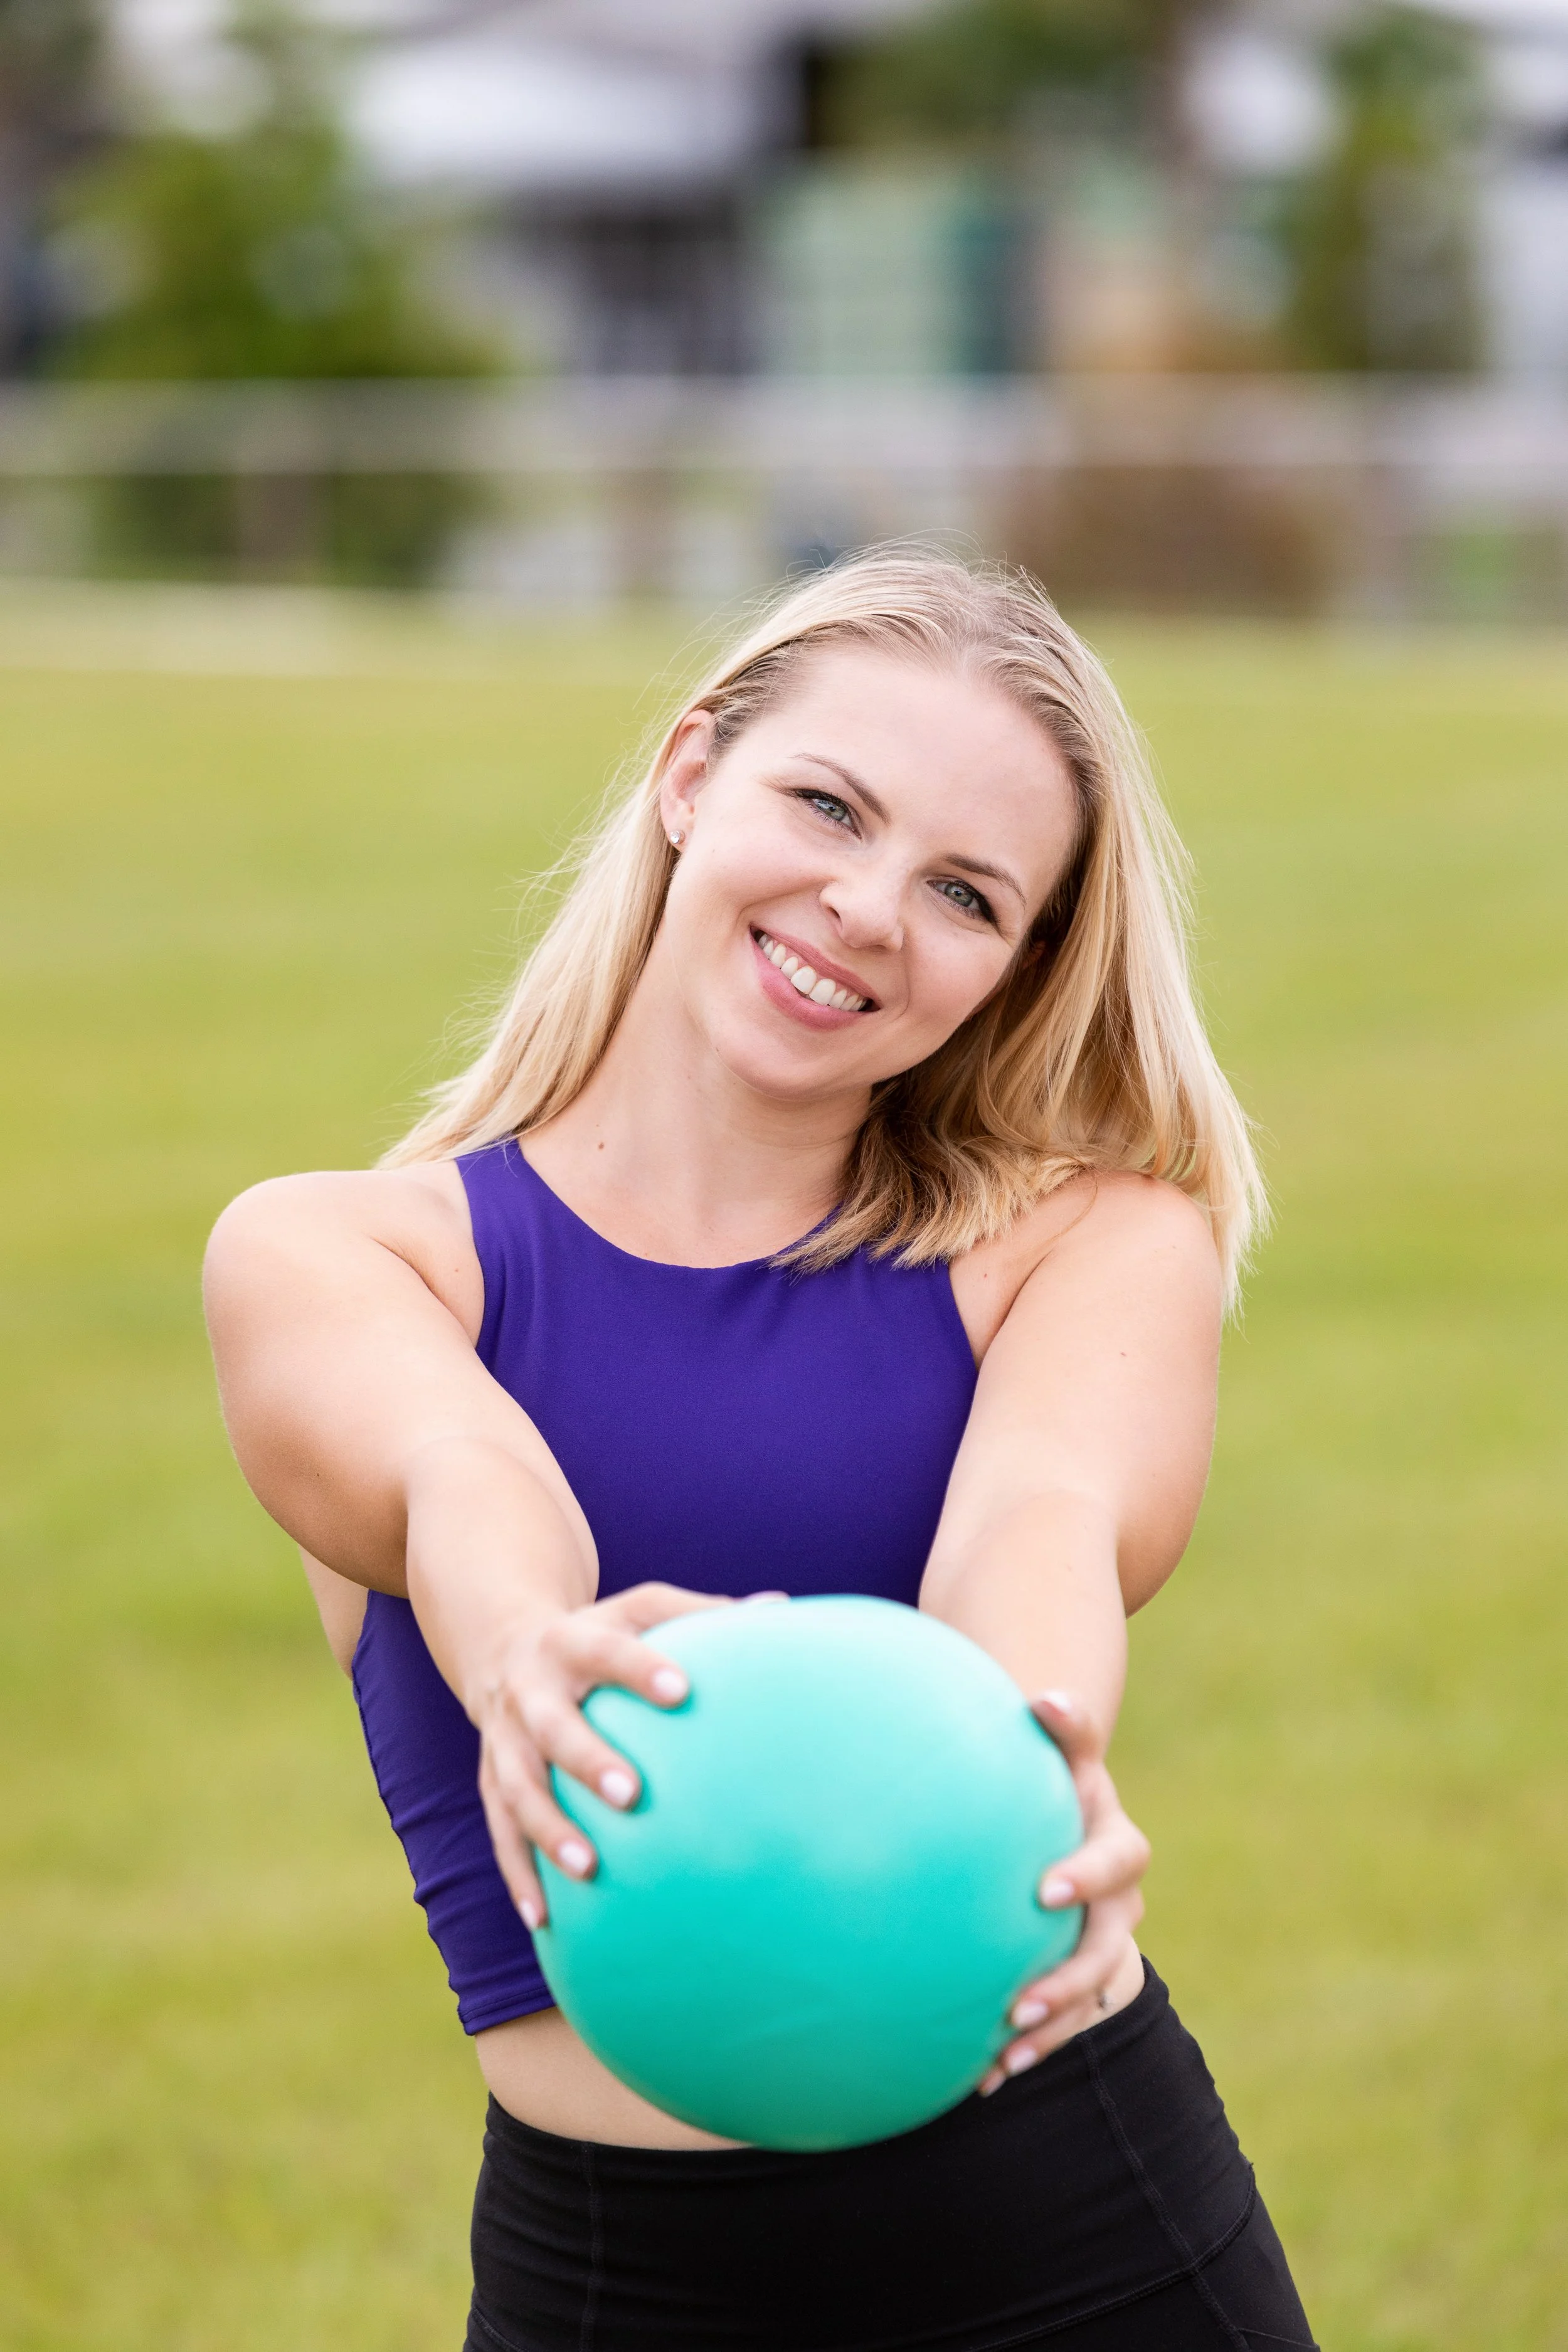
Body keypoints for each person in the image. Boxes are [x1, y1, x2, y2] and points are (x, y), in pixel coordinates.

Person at [204, 552, 1317, 2351]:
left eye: (964, 890)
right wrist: (534, 1662)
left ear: (1015, 967)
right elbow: (461, 1478)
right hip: (618, 2279)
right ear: (685, 771)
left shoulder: (1093, 1240)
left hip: (1072, 2229)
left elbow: (1035, 1521)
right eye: (825, 803)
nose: (868, 907)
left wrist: (1039, 1755)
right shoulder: (340, 1253)